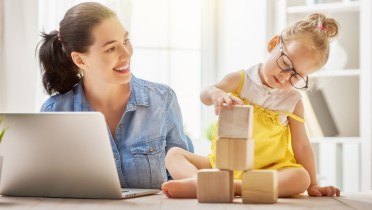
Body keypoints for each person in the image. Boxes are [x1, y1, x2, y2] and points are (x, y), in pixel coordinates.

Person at [161, 13, 341, 198]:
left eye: (296, 76)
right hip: (223, 165)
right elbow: (205, 95)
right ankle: (202, 182)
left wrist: (313, 183)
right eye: (285, 63)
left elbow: (302, 146)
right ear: (273, 45)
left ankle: (224, 187)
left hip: (268, 170)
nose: (285, 76)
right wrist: (217, 94)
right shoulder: (241, 80)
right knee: (173, 154)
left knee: (300, 178)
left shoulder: (293, 101)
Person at [37, 2, 193, 189]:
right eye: (111, 48)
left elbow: (185, 181)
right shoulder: (55, 112)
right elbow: (48, 186)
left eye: (125, 40)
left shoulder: (162, 100)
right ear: (80, 59)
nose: (127, 53)